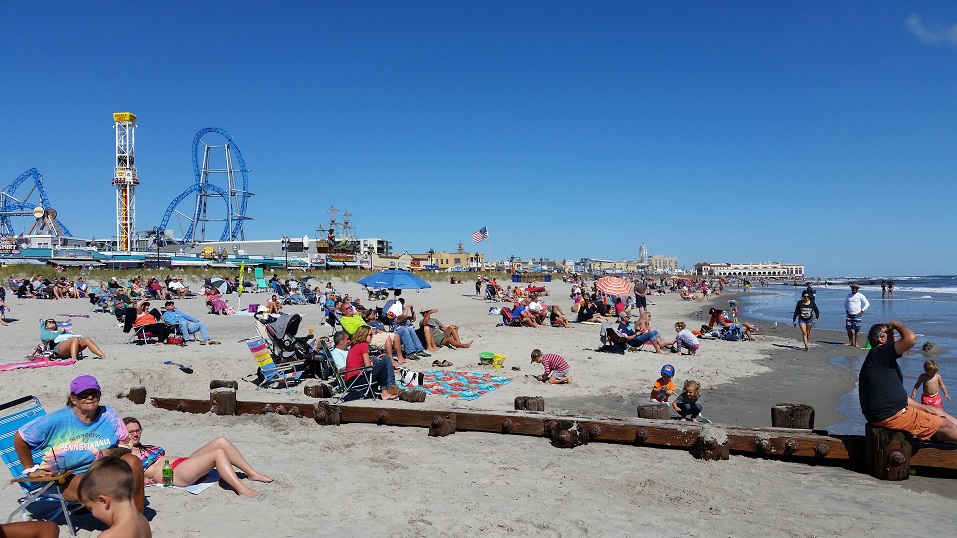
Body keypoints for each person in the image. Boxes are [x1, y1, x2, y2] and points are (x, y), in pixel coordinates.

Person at [13, 376, 145, 512]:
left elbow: (126, 447)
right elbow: (20, 437)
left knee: (133, 462)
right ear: (73, 399)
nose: (90, 397)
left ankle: (138, 516)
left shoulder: (109, 415)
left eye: (94, 393)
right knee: (99, 487)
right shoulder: (57, 420)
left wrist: (110, 452)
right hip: (67, 478)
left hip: (103, 470)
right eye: (83, 394)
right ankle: (120, 522)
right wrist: (30, 470)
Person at [121, 417, 272, 497]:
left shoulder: (144, 446)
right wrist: (141, 480)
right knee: (217, 454)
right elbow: (123, 476)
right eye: (131, 432)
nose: (135, 434)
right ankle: (241, 489)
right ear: (122, 433)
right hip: (174, 475)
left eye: (137, 430)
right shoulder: (124, 454)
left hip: (184, 464)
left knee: (221, 441)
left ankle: (252, 474)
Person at [859, 321, 957, 442]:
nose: (894, 335)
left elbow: (898, 394)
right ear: (881, 339)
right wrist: (896, 324)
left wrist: (924, 408)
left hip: (892, 409)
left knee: (937, 411)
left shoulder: (882, 359)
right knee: (945, 424)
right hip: (889, 414)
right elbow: (911, 338)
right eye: (890, 333)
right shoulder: (880, 353)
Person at [76, 456, 151, 538]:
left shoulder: (109, 536)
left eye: (91, 508)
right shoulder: (143, 521)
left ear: (104, 501)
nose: (93, 514)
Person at [345, 326, 399, 400]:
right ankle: (385, 392)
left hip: (350, 380)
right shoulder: (363, 345)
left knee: (384, 359)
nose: (372, 336)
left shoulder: (355, 345)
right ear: (363, 335)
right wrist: (372, 363)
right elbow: (368, 367)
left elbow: (359, 361)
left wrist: (373, 360)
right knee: (383, 364)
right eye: (370, 335)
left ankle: (385, 387)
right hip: (356, 381)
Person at [40, 318, 107, 359]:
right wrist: (60, 332)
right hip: (57, 349)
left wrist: (65, 332)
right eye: (49, 322)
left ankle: (103, 356)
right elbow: (49, 338)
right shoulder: (45, 333)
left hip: (70, 345)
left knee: (87, 340)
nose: (52, 323)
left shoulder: (61, 330)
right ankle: (74, 359)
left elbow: (72, 335)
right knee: (75, 339)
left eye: (53, 322)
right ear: (46, 326)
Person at [844, 283, 870, 348]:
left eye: (855, 288)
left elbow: (867, 303)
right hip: (849, 314)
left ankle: (856, 343)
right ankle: (850, 342)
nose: (854, 289)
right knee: (848, 329)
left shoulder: (860, 295)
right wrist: (846, 310)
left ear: (857, 289)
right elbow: (845, 303)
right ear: (851, 289)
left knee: (857, 329)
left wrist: (862, 310)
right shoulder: (848, 295)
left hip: (857, 314)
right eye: (853, 288)